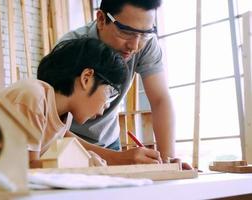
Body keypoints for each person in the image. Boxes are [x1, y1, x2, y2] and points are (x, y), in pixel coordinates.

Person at [59, 0, 182, 166]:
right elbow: (51, 126)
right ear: (102, 19)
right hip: (68, 142)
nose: (134, 45)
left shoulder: (145, 45)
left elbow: (160, 100)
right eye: (126, 31)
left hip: (109, 142)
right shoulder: (70, 49)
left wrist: (169, 163)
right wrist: (120, 159)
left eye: (145, 33)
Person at [2, 38, 160, 168]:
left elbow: (71, 141)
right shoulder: (32, 97)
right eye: (109, 92)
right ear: (86, 78)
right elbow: (28, 170)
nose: (107, 105)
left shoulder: (61, 115)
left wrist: (120, 158)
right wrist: (82, 163)